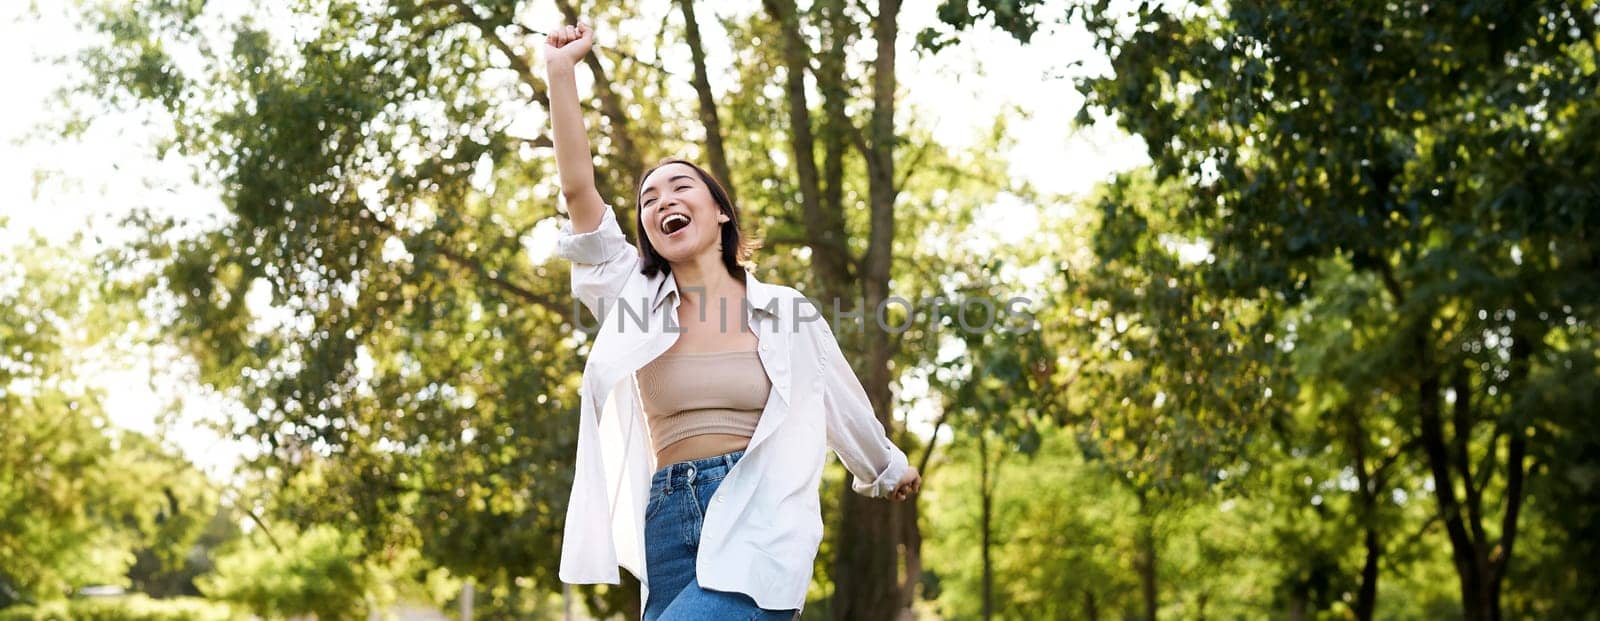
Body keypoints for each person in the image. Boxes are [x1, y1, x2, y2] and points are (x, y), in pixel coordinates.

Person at [541, 23, 922, 620]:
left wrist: (886, 468)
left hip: (759, 520)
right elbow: (577, 187)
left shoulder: (785, 312)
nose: (663, 200)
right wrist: (561, 72)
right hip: (666, 521)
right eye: (649, 198)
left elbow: (839, 400)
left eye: (680, 186)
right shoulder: (631, 297)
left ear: (719, 211)